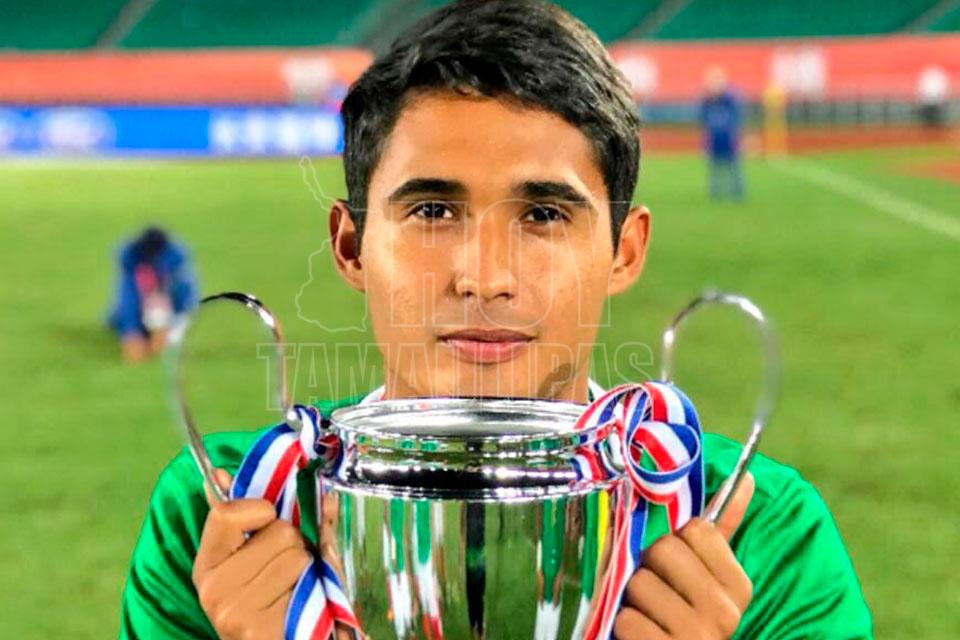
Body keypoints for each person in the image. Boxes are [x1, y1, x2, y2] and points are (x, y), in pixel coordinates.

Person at [119, 2, 872, 638]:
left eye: (543, 214)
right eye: (432, 210)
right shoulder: (226, 516)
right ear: (351, 246)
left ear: (624, 251)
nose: (484, 277)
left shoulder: (759, 537)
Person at [107, 227, 198, 362]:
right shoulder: (132, 261)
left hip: (170, 312)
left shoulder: (176, 264)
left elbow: (186, 300)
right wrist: (131, 332)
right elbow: (128, 300)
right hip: (138, 313)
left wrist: (173, 328)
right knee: (120, 323)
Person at [700, 67, 744, 201]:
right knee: (714, 167)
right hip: (714, 138)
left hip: (728, 137)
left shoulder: (730, 99)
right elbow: (703, 119)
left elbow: (736, 118)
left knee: (733, 166)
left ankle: (737, 192)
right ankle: (716, 192)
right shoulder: (706, 101)